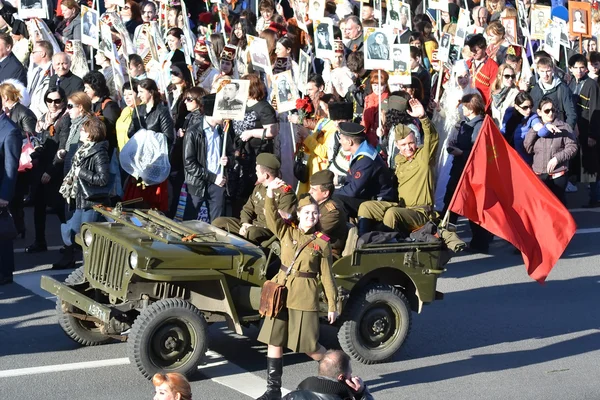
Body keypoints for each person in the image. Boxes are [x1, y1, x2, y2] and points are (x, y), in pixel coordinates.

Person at [256, 190, 338, 400]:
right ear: (299, 214)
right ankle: (273, 391)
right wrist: (270, 195)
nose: (312, 217)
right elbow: (270, 214)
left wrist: (332, 304)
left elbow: (327, 276)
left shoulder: (322, 242)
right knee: (274, 341)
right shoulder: (286, 232)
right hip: (281, 291)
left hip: (304, 294)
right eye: (307, 213)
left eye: (315, 213)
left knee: (309, 346)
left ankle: (339, 373)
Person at [357, 98, 437, 235]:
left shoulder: (424, 157)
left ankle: (387, 247)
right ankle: (362, 243)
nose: (408, 148)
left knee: (392, 214)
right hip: (402, 207)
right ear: (398, 146)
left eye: (411, 143)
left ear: (416, 141)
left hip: (420, 212)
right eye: (403, 145)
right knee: (365, 207)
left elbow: (432, 137)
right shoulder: (399, 159)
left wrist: (423, 117)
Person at [55, 117, 110, 270]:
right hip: (80, 198)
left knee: (88, 238)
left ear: (91, 134)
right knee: (74, 232)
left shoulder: (99, 152)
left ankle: (90, 271)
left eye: (84, 130)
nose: (80, 132)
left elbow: (103, 179)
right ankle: (87, 268)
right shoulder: (82, 148)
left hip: (92, 201)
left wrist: (82, 172)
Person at [444, 93, 492, 253]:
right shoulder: (463, 123)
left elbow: (479, 151)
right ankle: (445, 237)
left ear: (471, 108)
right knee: (450, 205)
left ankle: (480, 242)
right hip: (458, 170)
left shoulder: (480, 126)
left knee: (472, 208)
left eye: (464, 106)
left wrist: (461, 153)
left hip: (470, 173)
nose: (462, 108)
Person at [213, 153, 297, 244]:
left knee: (252, 233)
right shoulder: (259, 187)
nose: (255, 173)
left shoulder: (286, 194)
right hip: (251, 226)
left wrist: (249, 228)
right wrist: (245, 224)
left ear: (265, 175)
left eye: (257, 170)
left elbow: (285, 222)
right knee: (218, 223)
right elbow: (247, 209)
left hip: (268, 231)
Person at [25, 87, 70, 254]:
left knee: (59, 208)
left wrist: (51, 171)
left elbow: (62, 148)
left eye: (57, 101)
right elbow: (43, 139)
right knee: (39, 206)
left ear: (63, 101)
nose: (53, 104)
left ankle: (71, 243)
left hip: (55, 169)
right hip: (41, 166)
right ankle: (39, 241)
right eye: (49, 100)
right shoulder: (44, 117)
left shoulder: (64, 120)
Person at [125, 79, 174, 211]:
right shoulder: (138, 110)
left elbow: (169, 137)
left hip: (155, 162)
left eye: (141, 92)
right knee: (137, 201)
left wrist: (151, 138)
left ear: (151, 92)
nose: (138, 95)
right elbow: (130, 132)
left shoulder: (161, 111)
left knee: (152, 202)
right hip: (139, 161)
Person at [183, 93, 233, 222]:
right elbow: (189, 163)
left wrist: (228, 160)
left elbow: (231, 153)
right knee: (189, 222)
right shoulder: (193, 132)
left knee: (217, 223)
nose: (226, 116)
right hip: (198, 183)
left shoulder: (223, 131)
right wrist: (213, 177)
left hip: (218, 184)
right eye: (223, 112)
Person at [332, 122, 396, 218]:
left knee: (335, 199)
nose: (340, 142)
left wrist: (330, 193)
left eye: (340, 138)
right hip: (368, 195)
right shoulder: (361, 151)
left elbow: (353, 191)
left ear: (350, 142)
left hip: (379, 201)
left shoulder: (365, 160)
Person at [523, 97, 578, 205]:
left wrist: (557, 158)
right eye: (547, 111)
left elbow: (572, 147)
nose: (550, 113)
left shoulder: (564, 127)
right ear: (539, 112)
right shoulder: (535, 128)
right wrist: (534, 130)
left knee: (558, 203)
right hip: (539, 173)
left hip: (558, 174)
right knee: (542, 205)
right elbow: (528, 148)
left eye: (553, 110)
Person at [567, 53, 600, 207]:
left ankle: (595, 198)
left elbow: (595, 110)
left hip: (588, 131)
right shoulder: (572, 83)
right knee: (583, 165)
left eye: (582, 68)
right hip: (577, 129)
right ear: (570, 69)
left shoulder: (591, 85)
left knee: (593, 166)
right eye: (576, 68)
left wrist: (593, 135)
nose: (579, 71)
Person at [282, 350, 373, 400]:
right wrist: (362, 393)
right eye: (350, 373)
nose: (352, 376)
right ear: (341, 377)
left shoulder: (293, 396)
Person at [0, 108, 21, 285]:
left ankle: (5, 273)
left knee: (2, 234)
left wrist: (5, 195)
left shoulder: (10, 130)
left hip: (0, 190)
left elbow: (10, 166)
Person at [308, 170, 349, 257]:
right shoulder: (315, 204)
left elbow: (313, 233)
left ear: (325, 193)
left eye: (313, 189)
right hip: (313, 246)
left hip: (327, 253)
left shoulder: (332, 212)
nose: (309, 192)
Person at [530, 56, 577, 128]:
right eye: (542, 71)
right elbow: (532, 113)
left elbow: (571, 114)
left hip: (559, 131)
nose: (545, 75)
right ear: (538, 71)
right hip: (540, 132)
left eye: (548, 71)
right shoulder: (535, 90)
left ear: (553, 70)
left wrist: (566, 131)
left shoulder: (562, 89)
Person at [501, 91, 543, 165]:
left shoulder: (533, 118)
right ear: (517, 107)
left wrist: (544, 128)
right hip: (508, 155)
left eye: (531, 106)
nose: (529, 110)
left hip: (524, 160)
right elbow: (504, 130)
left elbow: (540, 129)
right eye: (525, 107)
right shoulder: (509, 114)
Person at [465, 34, 499, 110]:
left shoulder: (493, 66)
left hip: (483, 106)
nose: (473, 53)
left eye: (476, 50)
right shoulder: (467, 63)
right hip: (467, 104)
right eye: (472, 50)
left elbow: (493, 90)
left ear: (484, 48)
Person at [27, 40, 54, 119]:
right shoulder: (36, 70)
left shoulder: (52, 71)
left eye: (34, 52)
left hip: (41, 115)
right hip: (30, 113)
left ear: (42, 54)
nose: (32, 55)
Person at [491, 63, 520, 128]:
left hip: (509, 131)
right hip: (497, 131)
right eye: (507, 76)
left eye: (512, 76)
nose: (510, 79)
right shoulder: (494, 92)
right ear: (499, 76)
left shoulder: (516, 93)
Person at [115, 81, 140, 152]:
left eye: (130, 94)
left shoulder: (143, 111)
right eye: (124, 95)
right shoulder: (124, 111)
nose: (127, 97)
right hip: (123, 154)